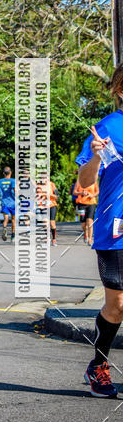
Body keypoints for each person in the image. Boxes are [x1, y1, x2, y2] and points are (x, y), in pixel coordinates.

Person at [75, 67, 123, 398]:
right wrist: (94, 156)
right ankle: (99, 364)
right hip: (115, 228)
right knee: (118, 305)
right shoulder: (108, 128)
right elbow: (85, 181)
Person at [72, 178, 99, 246]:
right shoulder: (79, 181)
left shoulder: (94, 181)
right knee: (83, 223)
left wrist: (92, 195)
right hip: (81, 204)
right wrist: (81, 193)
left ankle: (90, 239)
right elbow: (74, 192)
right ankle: (85, 233)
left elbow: (97, 191)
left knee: (90, 221)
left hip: (91, 203)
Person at [0, 166, 16, 241]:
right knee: (13, 220)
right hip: (13, 203)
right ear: (11, 172)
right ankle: (13, 236)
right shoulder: (13, 181)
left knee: (6, 219)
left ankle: (5, 229)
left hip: (4, 203)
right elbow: (15, 190)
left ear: (3, 173)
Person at [36, 177, 59, 246]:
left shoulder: (52, 184)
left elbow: (57, 196)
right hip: (43, 206)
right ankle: (47, 237)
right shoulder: (38, 187)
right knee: (45, 223)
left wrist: (49, 195)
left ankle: (54, 239)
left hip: (52, 205)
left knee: (52, 223)